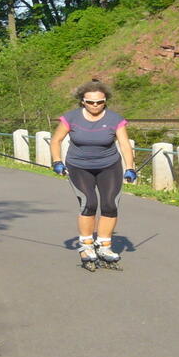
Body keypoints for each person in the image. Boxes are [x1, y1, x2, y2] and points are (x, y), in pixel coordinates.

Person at [49, 80, 137, 271]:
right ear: (82, 101)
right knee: (89, 203)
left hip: (109, 166)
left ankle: (105, 245)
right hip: (79, 166)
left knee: (110, 204)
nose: (95, 106)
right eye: (90, 102)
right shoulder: (71, 118)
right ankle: (87, 246)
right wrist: (57, 161)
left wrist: (130, 167)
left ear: (105, 101)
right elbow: (56, 140)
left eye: (99, 102)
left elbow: (124, 144)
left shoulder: (115, 119)